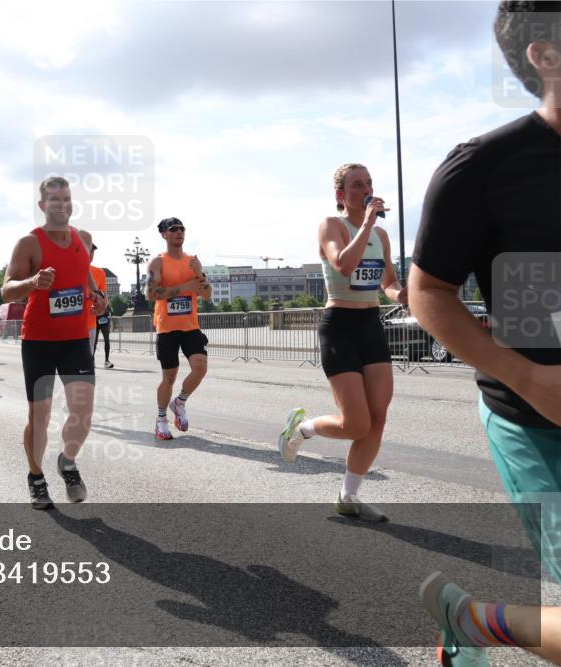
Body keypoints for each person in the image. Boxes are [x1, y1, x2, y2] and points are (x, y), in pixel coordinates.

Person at [411, 4, 561, 664]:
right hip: (539, 418)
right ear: (545, 55)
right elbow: (427, 293)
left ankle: (474, 623)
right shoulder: (483, 167)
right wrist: (525, 373)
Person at [277, 164, 406, 522]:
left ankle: (348, 496)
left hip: (370, 325)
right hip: (340, 327)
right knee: (356, 423)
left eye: (369, 183)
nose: (366, 188)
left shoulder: (380, 235)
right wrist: (366, 222)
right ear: (341, 194)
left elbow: (388, 282)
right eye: (357, 184)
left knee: (377, 419)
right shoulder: (332, 226)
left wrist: (405, 295)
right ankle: (301, 429)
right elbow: (344, 264)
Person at [2, 176, 107, 509]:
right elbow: (7, 290)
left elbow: (83, 274)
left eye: (67, 198)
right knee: (40, 416)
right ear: (42, 205)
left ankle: (67, 461)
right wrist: (33, 281)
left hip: (76, 338)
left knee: (83, 414)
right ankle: (36, 477)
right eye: (55, 199)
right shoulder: (28, 244)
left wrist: (98, 296)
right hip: (39, 341)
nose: (62, 204)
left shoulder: (83, 238)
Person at [146, 217, 212, 441]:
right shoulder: (158, 262)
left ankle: (180, 402)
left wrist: (200, 275)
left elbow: (207, 294)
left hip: (190, 326)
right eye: (173, 229)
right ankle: (161, 418)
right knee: (169, 377)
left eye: (182, 228)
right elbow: (151, 294)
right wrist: (184, 287)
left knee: (200, 368)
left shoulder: (193, 261)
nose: (179, 232)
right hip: (167, 328)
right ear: (164, 234)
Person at [85, 244, 108, 361]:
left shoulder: (99, 272)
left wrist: (101, 307)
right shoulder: (65, 269)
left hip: (90, 325)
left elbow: (105, 301)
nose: (89, 255)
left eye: (92, 252)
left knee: (86, 365)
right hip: (67, 326)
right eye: (87, 251)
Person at [94, 302, 114, 369]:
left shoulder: (104, 294)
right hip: (95, 320)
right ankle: (91, 360)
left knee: (107, 340)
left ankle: (106, 361)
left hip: (105, 321)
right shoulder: (93, 293)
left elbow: (110, 309)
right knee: (94, 342)